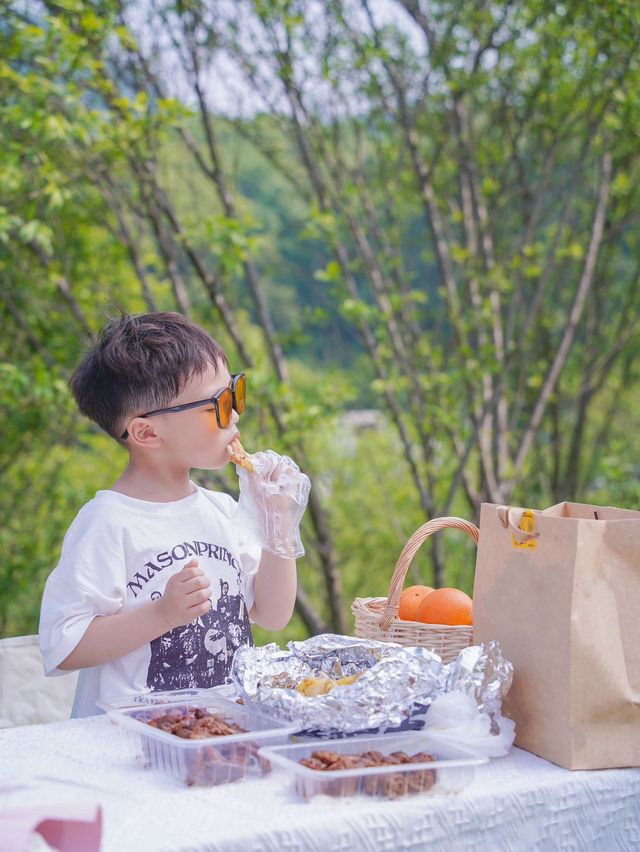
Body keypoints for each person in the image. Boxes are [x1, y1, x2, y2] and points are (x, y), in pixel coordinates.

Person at [38, 312, 311, 716]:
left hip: (218, 731)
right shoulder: (108, 523)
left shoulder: (220, 510)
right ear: (147, 433)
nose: (235, 414)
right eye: (218, 404)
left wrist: (278, 525)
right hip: (128, 748)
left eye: (235, 392)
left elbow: (271, 614)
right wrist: (162, 613)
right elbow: (63, 646)